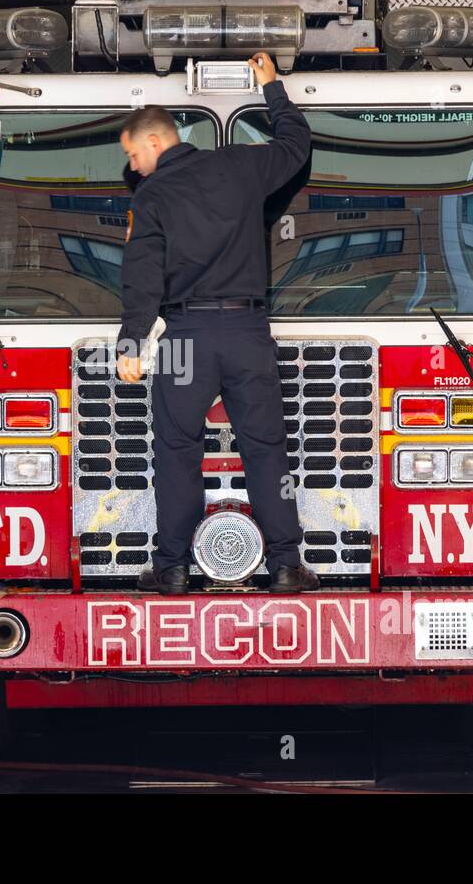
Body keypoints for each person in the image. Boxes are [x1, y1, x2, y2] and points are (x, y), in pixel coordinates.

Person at [116, 52, 314, 595]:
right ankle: (285, 566)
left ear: (155, 142)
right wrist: (272, 88)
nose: (133, 167)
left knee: (177, 450)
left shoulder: (152, 196)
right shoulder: (240, 166)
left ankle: (174, 568)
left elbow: (143, 277)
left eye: (133, 155)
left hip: (184, 338)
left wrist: (133, 343)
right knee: (266, 448)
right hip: (248, 332)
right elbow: (297, 147)